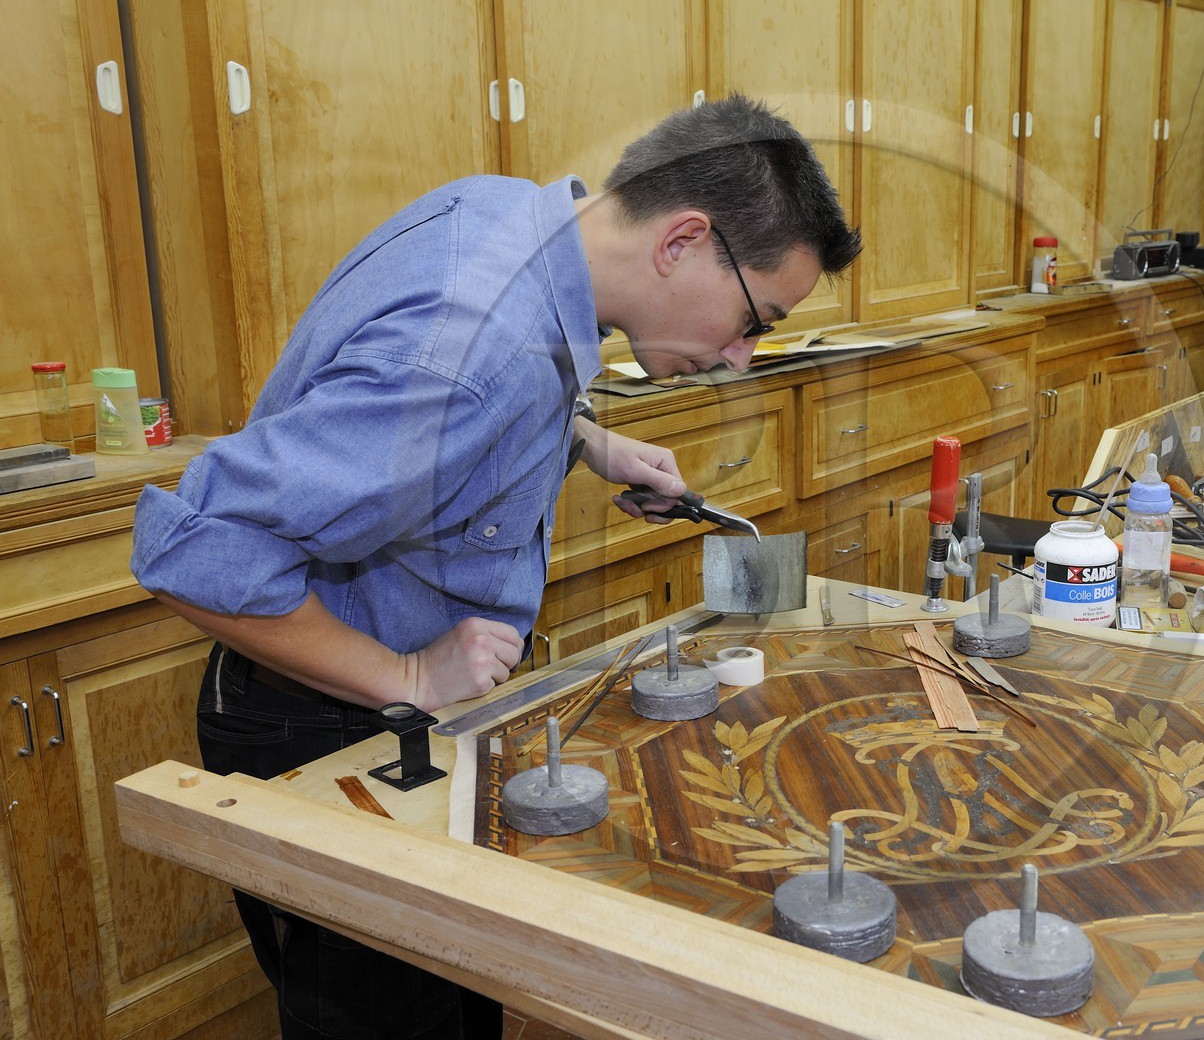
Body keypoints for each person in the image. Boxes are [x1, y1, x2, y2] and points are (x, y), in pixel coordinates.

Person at [129, 93, 861, 1040]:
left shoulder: (516, 216)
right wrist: (406, 675)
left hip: (370, 705)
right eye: (756, 318)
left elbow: (437, 411)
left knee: (460, 994)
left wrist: (585, 441)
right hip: (333, 721)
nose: (742, 358)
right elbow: (194, 551)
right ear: (683, 241)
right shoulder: (473, 364)